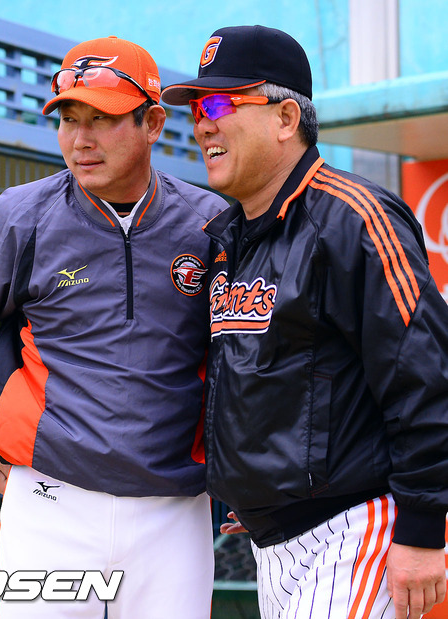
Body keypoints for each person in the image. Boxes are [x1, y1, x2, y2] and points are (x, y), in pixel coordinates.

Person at [161, 24, 448, 619]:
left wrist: (422, 529)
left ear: (286, 118)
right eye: (196, 109)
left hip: (354, 531)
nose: (202, 124)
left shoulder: (354, 217)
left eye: (219, 105)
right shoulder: (229, 237)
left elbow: (427, 378)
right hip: (272, 541)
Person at [0, 35, 227, 618]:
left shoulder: (211, 223)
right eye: (69, 119)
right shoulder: (20, 215)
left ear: (153, 123)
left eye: (102, 118)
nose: (80, 140)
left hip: (175, 504)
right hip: (50, 498)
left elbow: (246, 354)